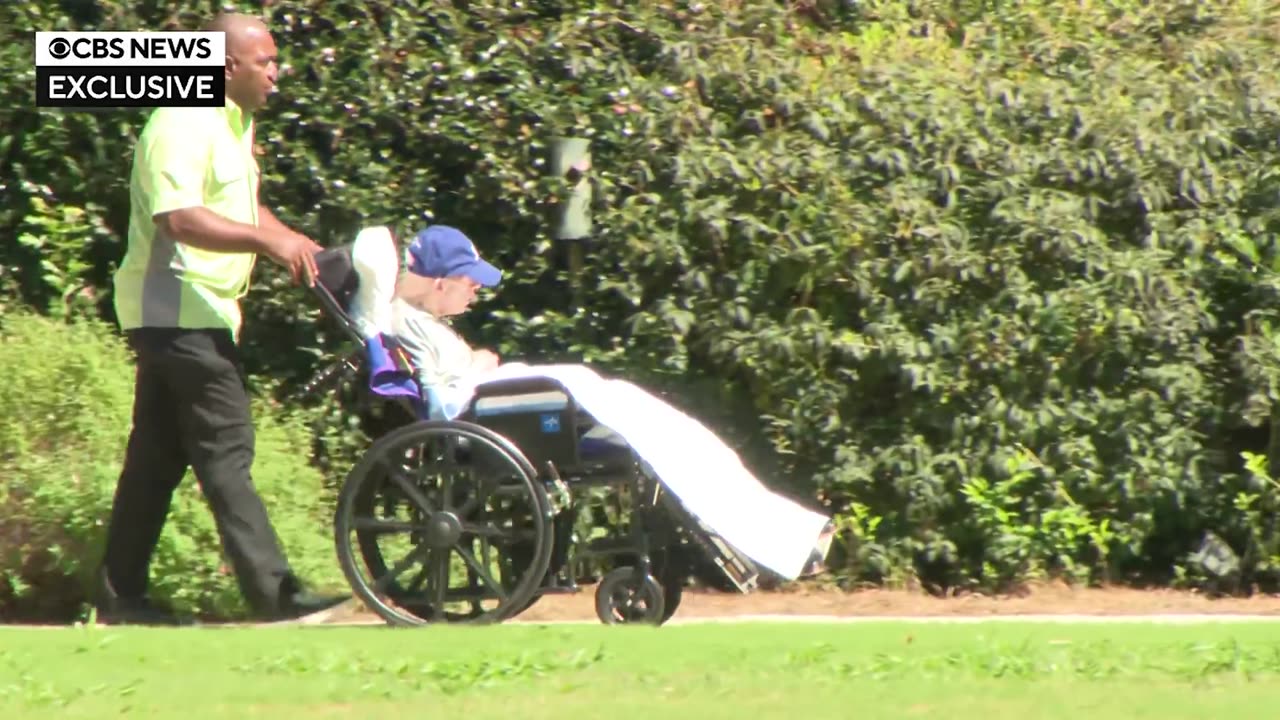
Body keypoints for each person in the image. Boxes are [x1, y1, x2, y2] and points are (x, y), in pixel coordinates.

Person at [97, 12, 348, 625]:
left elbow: (242, 204)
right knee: (226, 447)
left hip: (200, 310)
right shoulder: (180, 122)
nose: (277, 74)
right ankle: (277, 597)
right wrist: (268, 247)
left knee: (157, 457)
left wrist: (295, 243)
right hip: (173, 308)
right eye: (266, 62)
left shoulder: (231, 122)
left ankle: (118, 597)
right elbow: (177, 218)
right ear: (227, 65)